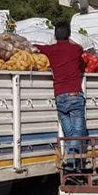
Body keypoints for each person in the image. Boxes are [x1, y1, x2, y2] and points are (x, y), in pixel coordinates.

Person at [36, 21, 88, 172]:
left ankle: (74, 164)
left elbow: (36, 48)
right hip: (74, 95)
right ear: (69, 34)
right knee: (78, 131)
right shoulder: (75, 49)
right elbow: (81, 48)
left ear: (54, 35)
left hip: (59, 97)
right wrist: (67, 39)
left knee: (69, 133)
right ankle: (71, 161)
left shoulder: (50, 50)